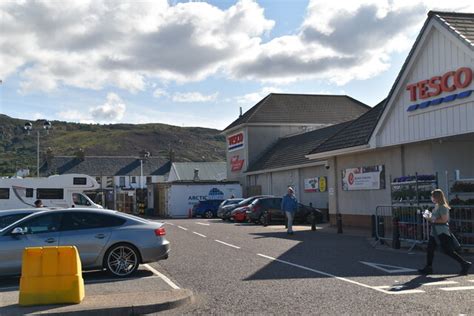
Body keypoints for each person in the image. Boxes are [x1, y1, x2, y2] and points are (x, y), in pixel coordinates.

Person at [418, 189, 471, 275]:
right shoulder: (437, 206)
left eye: (433, 196)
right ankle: (428, 267)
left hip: (442, 232)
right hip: (435, 232)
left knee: (448, 251)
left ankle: (465, 264)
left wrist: (431, 219)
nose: (432, 198)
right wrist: (429, 216)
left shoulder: (443, 206)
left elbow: (444, 220)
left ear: (437, 197)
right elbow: (435, 218)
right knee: (430, 249)